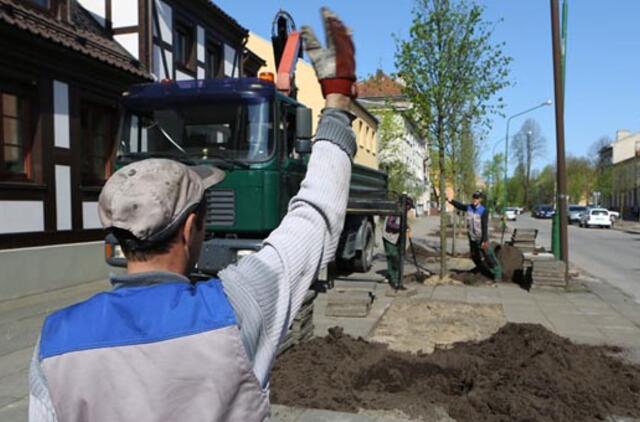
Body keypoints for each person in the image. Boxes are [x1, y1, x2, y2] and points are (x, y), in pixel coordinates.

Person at [29, 8, 357, 422]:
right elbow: (314, 219)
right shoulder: (238, 307)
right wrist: (337, 104)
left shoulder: (54, 340)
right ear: (190, 229)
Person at [448, 191, 502, 281]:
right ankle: (483, 269)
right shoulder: (469, 207)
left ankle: (497, 273)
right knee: (474, 256)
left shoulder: (484, 211)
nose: (474, 200)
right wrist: (451, 201)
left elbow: (484, 226)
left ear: (480, 199)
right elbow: (460, 206)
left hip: (481, 237)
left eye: (476, 198)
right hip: (472, 237)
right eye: (473, 198)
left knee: (488, 255)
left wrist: (484, 240)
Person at [382, 197, 413, 288]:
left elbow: (403, 222)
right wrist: (403, 227)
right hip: (389, 237)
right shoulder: (395, 211)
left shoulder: (402, 211)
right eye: (409, 207)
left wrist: (408, 228)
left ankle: (397, 278)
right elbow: (390, 224)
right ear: (405, 205)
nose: (410, 209)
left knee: (399, 257)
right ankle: (394, 280)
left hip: (397, 237)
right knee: (393, 256)